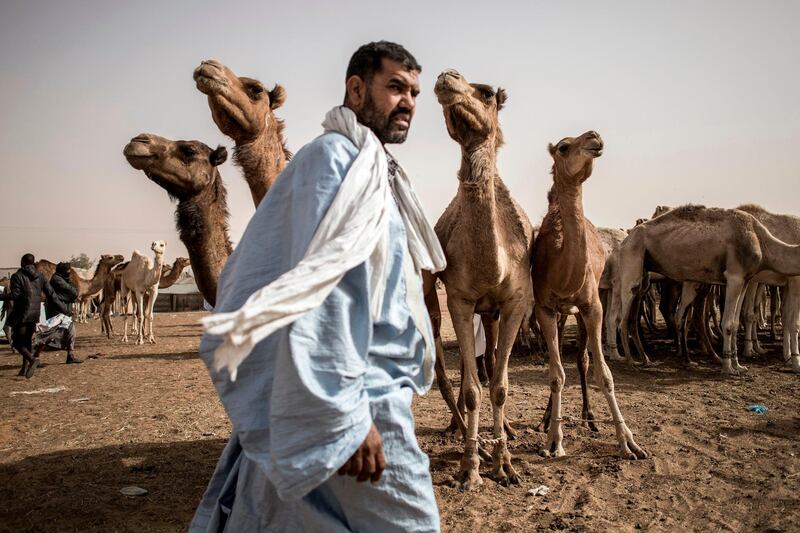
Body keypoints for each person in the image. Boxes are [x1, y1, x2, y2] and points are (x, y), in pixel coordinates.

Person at [191, 41, 446, 532]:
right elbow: (323, 296)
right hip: (357, 397)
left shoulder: (373, 168)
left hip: (353, 392)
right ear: (356, 88)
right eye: (395, 87)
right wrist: (345, 416)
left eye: (413, 91)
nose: (409, 101)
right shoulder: (334, 159)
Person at [0, 253, 55, 378]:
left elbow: (15, 295)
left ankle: (32, 359)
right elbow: (50, 293)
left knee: (17, 343)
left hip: (22, 314)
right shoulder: (40, 276)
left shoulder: (17, 276)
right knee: (27, 342)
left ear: (22, 262)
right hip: (34, 314)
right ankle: (24, 369)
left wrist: (1, 296)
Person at [34, 261, 82, 364]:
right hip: (57, 311)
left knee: (71, 332)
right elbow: (73, 292)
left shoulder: (62, 279)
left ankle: (70, 355)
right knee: (50, 335)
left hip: (64, 312)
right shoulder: (57, 280)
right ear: (63, 271)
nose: (69, 273)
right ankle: (35, 356)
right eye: (68, 271)